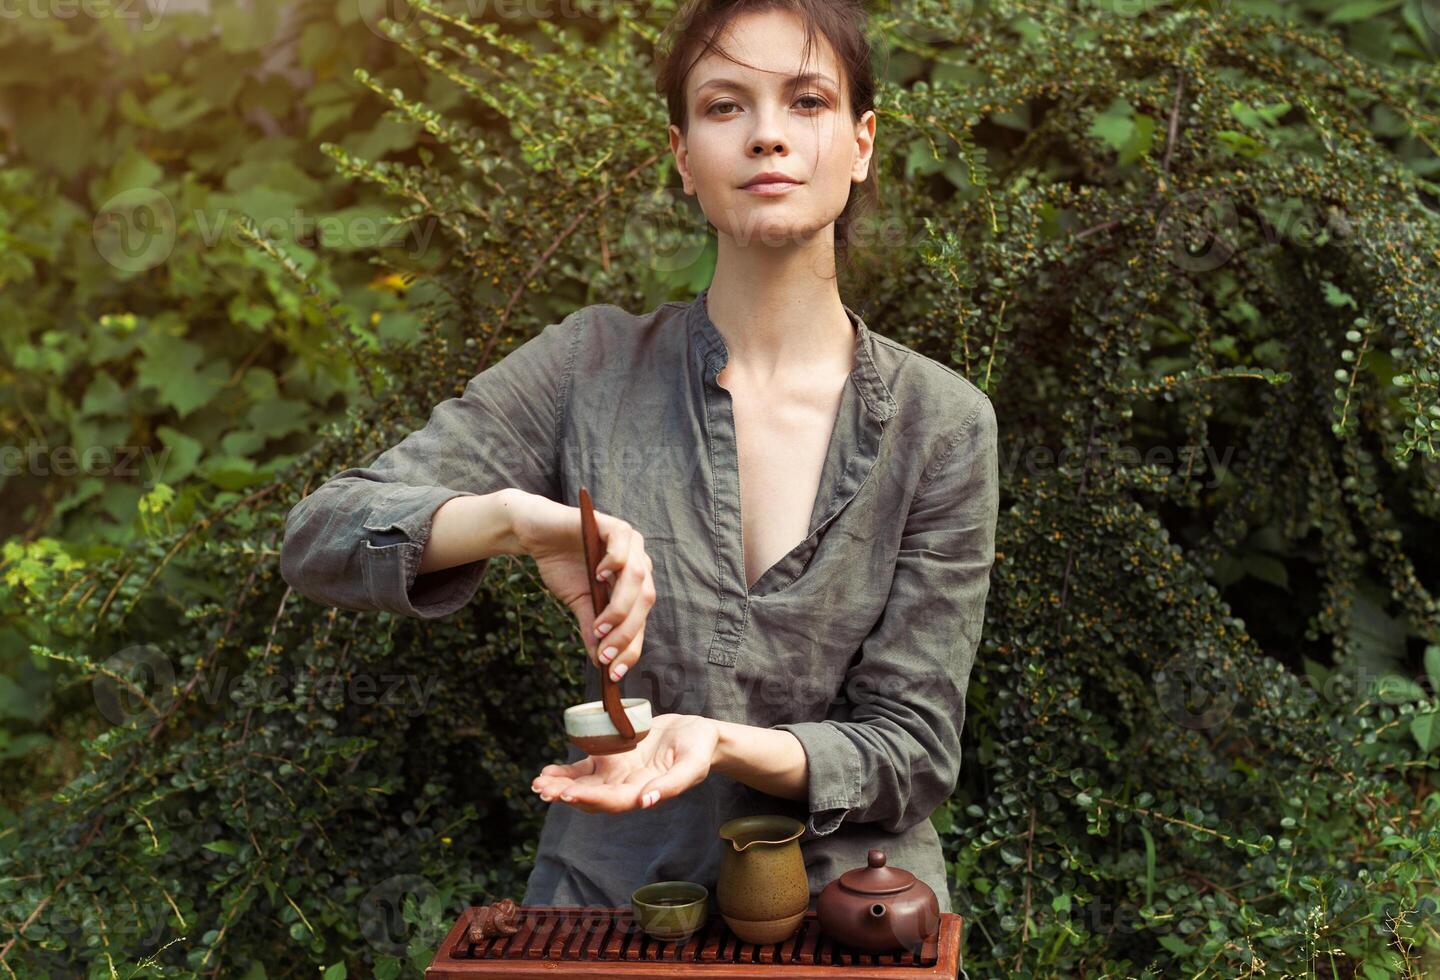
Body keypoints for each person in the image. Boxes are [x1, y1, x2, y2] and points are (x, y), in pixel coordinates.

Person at [278, 0, 999, 916]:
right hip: (609, 905)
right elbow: (319, 535)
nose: (769, 136)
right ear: (682, 154)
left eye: (807, 102)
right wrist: (510, 522)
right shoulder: (587, 366)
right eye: (726, 106)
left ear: (861, 145)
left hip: (852, 918)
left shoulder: (944, 423)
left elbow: (913, 749)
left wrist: (722, 743)